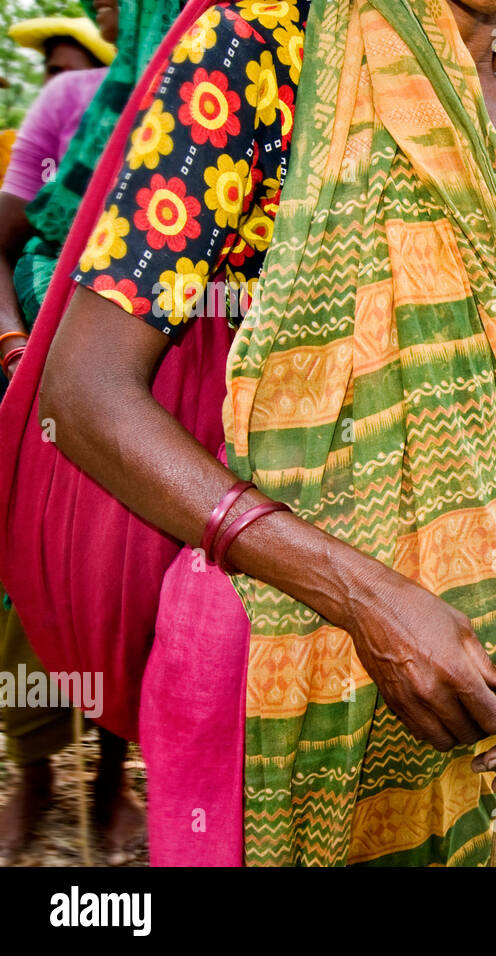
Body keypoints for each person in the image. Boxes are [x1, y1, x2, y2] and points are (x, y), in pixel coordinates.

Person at [3, 0, 496, 867]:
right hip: (267, 638)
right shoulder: (259, 59)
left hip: (474, 652)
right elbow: (84, 389)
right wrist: (366, 597)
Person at [0, 4, 127, 865]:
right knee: (25, 590)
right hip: (35, 383)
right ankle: (35, 773)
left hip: (145, 398)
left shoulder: (218, 90)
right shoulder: (70, 100)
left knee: (126, 587)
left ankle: (112, 780)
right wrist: (13, 344)